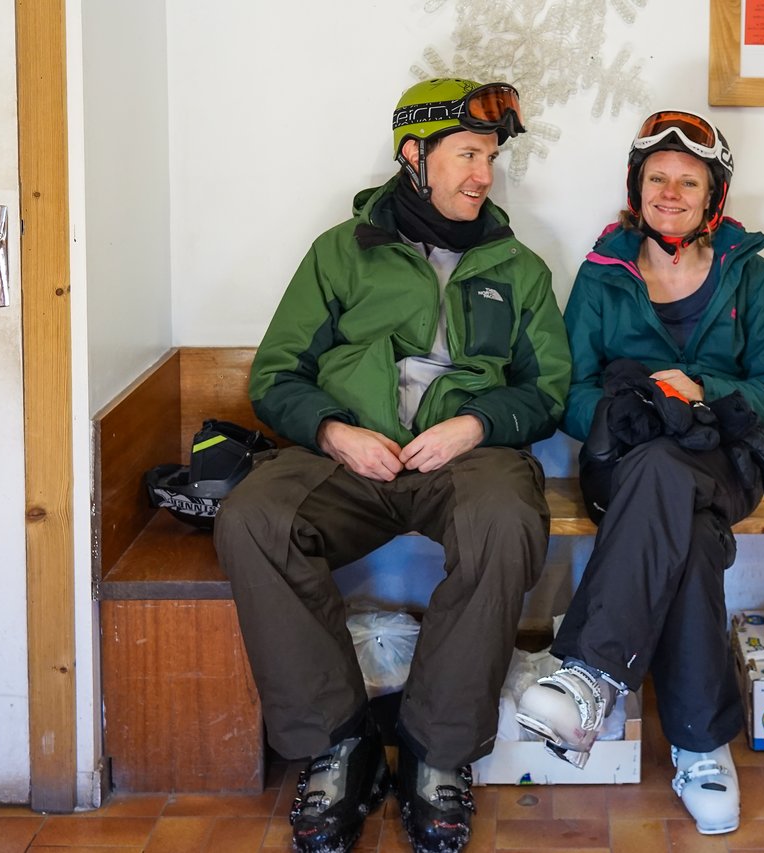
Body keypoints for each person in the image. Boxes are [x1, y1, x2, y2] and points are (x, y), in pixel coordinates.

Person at [214, 78, 572, 853]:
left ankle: (435, 751)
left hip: (464, 460)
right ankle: (336, 743)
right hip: (351, 456)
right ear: (413, 156)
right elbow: (274, 377)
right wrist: (337, 432)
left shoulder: (518, 267)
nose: (483, 173)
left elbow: (548, 391)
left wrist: (477, 425)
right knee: (255, 518)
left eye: (490, 157)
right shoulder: (341, 253)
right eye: (467, 154)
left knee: (505, 522)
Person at [515, 109, 764, 835]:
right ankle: (702, 747)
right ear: (636, 188)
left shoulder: (751, 275)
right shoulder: (603, 273)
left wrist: (704, 397)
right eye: (657, 179)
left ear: (714, 196)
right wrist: (627, 408)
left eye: (688, 181)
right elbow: (567, 390)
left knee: (678, 480)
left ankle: (587, 672)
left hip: (722, 461)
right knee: (690, 534)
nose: (670, 192)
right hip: (626, 461)